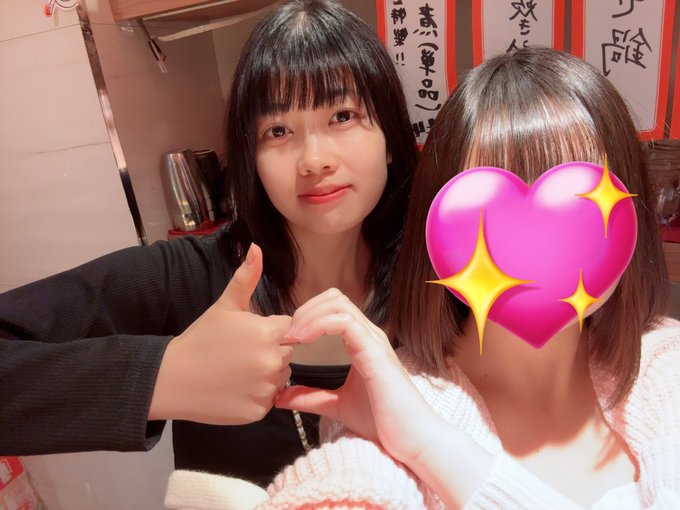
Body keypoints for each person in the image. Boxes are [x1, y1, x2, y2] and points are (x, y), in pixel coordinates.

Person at [166, 48, 680, 509]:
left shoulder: (665, 365)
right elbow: (347, 486)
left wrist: (436, 448)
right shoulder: (386, 417)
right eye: (490, 218)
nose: (534, 247)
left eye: (575, 211)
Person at [0, 0, 417, 487]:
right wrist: (163, 377)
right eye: (278, 130)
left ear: (391, 137)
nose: (314, 159)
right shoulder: (187, 278)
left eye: (343, 115)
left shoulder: (438, 276)